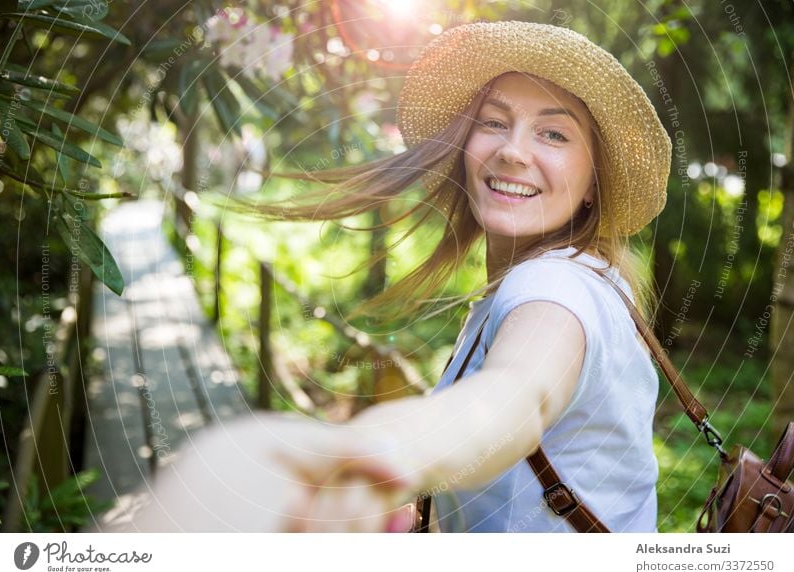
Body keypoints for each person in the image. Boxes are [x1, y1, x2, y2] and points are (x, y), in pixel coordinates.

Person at [127, 20, 672, 533]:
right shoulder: (590, 277)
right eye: (493, 121)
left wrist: (366, 456)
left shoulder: (554, 288)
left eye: (554, 134)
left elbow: (516, 398)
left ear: (595, 182)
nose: (511, 149)